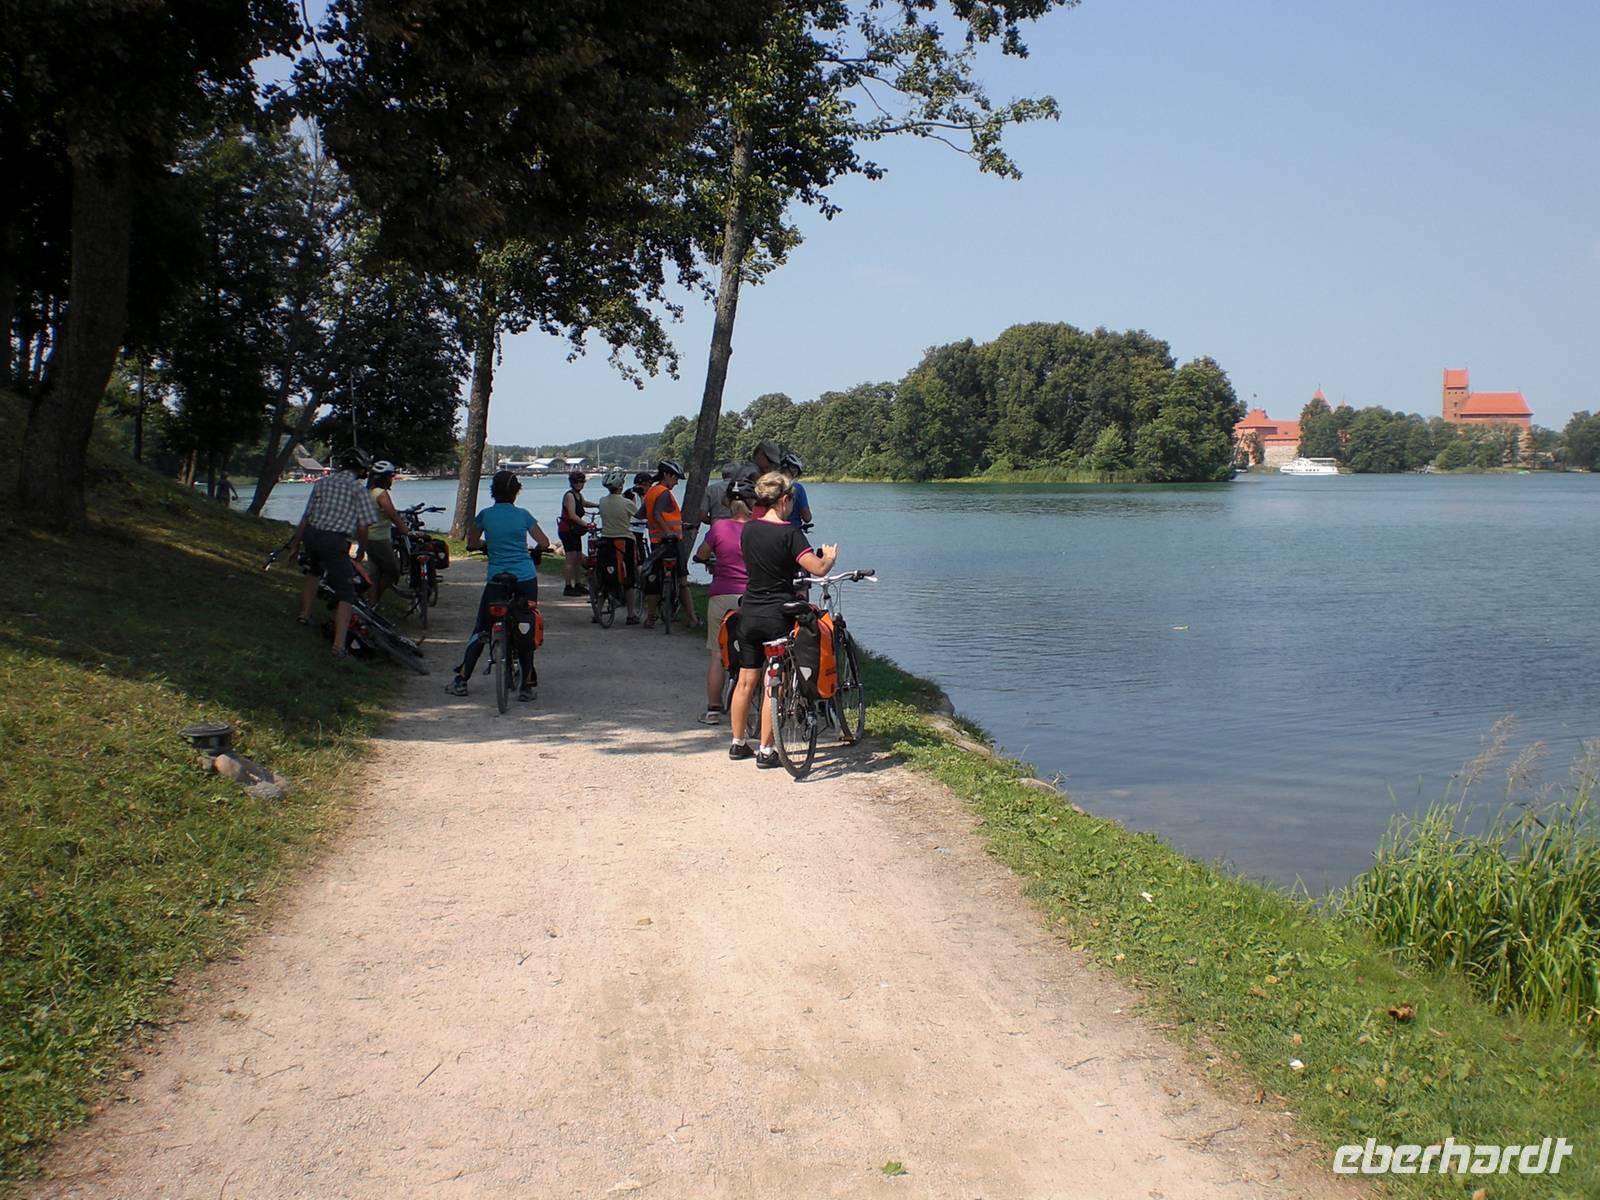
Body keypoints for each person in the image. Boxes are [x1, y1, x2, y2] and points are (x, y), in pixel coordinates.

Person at [727, 471, 837, 767]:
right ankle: (766, 750)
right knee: (773, 684)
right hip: (777, 615)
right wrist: (829, 557)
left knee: (745, 680)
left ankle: (738, 743)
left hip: (749, 612)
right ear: (785, 499)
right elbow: (816, 568)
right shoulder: (790, 533)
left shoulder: (749, 529)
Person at [446, 470, 550, 701]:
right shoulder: (523, 515)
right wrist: (536, 550)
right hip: (524, 578)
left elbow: (472, 542)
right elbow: (544, 542)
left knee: (482, 628)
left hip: (497, 579)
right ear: (516, 492)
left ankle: (461, 680)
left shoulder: (485, 515)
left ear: (493, 492)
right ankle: (526, 686)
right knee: (526, 626)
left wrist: (485, 545)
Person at [282, 448, 381, 658]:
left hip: (312, 535)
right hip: (334, 540)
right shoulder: (358, 490)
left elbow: (307, 516)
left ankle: (304, 614)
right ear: (361, 469)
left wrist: (295, 545)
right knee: (346, 592)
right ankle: (338, 646)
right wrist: (362, 551)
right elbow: (364, 526)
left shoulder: (322, 483)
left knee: (314, 571)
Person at [693, 478, 755, 724]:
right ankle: (761, 707)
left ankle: (713, 710)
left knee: (718, 654)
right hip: (752, 596)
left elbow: (702, 554)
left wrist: (711, 559)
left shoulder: (718, 527)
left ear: (727, 503)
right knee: (758, 651)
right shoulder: (758, 529)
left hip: (722, 593)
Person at [641, 460, 699, 629]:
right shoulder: (664, 492)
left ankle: (650, 618)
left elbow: (643, 514)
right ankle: (693, 619)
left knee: (654, 580)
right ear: (667, 474)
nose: (676, 483)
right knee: (682, 581)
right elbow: (657, 514)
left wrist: (680, 524)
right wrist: (668, 531)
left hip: (656, 542)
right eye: (675, 478)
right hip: (671, 542)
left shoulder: (651, 492)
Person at [595, 468, 640, 625]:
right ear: (621, 485)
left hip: (606, 540)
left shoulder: (602, 501)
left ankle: (598, 611)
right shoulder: (627, 503)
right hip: (624, 540)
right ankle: (631, 614)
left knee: (604, 577)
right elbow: (640, 515)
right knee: (629, 577)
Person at [363, 460, 410, 606]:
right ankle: (375, 599)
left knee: (375, 573)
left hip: (368, 537)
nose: (392, 479)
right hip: (379, 538)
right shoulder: (381, 494)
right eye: (391, 476)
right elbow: (392, 514)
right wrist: (404, 529)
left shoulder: (367, 492)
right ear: (384, 478)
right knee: (393, 570)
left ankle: (372, 604)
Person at [557, 470, 597, 596]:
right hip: (567, 530)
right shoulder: (569, 496)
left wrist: (598, 505)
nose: (579, 484)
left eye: (581, 481)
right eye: (576, 482)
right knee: (570, 559)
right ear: (571, 482)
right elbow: (572, 515)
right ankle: (568, 586)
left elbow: (584, 504)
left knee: (578, 558)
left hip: (575, 531)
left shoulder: (578, 495)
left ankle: (578, 584)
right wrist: (587, 525)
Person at [778, 452, 812, 528]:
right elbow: (807, 518)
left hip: (772, 529)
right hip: (793, 530)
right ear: (794, 471)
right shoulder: (798, 488)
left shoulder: (770, 486)